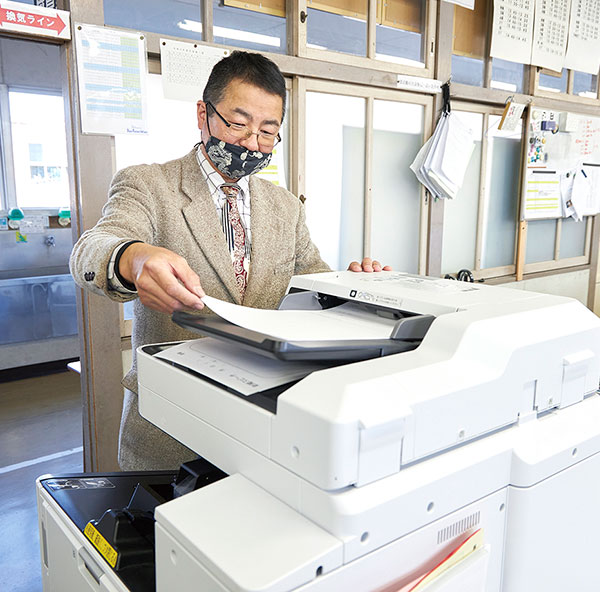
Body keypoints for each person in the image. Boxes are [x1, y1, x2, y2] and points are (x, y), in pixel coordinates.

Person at [70, 51, 390, 471]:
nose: (252, 142)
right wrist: (133, 257)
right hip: (171, 426)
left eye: (268, 131)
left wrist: (351, 290)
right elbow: (93, 246)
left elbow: (314, 282)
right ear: (203, 114)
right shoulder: (149, 184)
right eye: (238, 124)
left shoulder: (285, 207)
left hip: (264, 426)